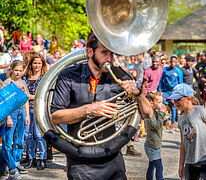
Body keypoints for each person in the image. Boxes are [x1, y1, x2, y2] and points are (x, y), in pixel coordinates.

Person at [50, 33, 153, 180]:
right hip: (81, 160)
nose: (110, 59)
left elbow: (148, 113)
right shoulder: (68, 75)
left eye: (112, 54)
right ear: (89, 52)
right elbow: (55, 117)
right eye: (104, 53)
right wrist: (89, 109)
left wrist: (138, 94)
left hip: (112, 156)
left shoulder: (118, 76)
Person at [168, 83, 206, 180]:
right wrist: (181, 165)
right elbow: (183, 145)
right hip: (190, 161)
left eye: (179, 99)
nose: (176, 102)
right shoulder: (181, 119)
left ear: (189, 98)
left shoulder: (200, 111)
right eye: (174, 100)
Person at [1, 61, 30, 179]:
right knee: (7, 142)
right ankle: (10, 166)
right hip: (11, 113)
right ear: (11, 69)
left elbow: (26, 99)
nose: (18, 73)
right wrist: (8, 117)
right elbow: (4, 103)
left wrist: (27, 115)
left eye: (20, 70)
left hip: (21, 112)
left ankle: (17, 163)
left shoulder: (23, 82)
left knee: (19, 139)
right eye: (16, 70)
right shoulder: (7, 83)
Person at [22, 53, 48, 170]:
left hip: (39, 110)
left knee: (39, 135)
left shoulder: (44, 78)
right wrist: (30, 96)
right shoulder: (25, 77)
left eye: (39, 63)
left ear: (42, 64)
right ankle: (31, 157)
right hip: (26, 109)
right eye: (34, 63)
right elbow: (22, 93)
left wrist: (30, 96)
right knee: (28, 135)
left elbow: (43, 94)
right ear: (31, 64)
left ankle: (42, 158)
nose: (36, 65)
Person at [144, 92, 166, 180]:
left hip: (154, 144)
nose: (161, 104)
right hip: (152, 146)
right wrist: (161, 114)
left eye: (161, 101)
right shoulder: (149, 114)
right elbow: (156, 126)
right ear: (151, 103)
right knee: (159, 167)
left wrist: (163, 113)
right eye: (159, 102)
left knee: (152, 165)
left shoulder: (154, 111)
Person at [158, 56, 183, 132]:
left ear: (177, 62)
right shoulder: (165, 70)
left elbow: (180, 83)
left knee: (173, 108)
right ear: (169, 62)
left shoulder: (178, 71)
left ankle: (172, 124)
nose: (173, 63)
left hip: (174, 93)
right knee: (162, 108)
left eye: (174, 62)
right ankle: (161, 124)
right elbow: (161, 80)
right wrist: (160, 90)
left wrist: (179, 93)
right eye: (171, 62)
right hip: (165, 92)